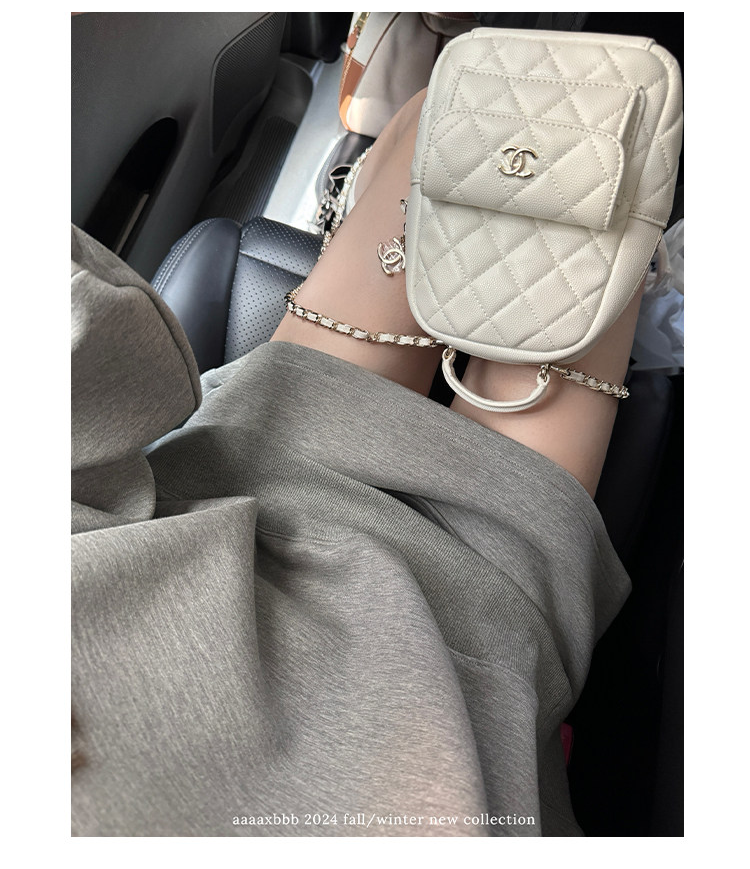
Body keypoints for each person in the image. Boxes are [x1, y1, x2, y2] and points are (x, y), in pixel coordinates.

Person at [71, 90, 638, 837]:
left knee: (561, 122)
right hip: (431, 596)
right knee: (536, 107)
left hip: (467, 657)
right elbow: (103, 349)